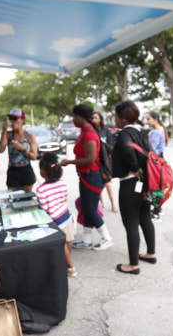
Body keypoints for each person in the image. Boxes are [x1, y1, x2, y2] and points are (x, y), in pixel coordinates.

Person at [111, 100, 156, 274]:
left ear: (122, 119)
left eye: (116, 117)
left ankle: (133, 264)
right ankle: (150, 253)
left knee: (131, 223)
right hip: (146, 182)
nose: (115, 120)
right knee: (145, 218)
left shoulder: (124, 133)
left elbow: (128, 152)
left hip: (131, 182)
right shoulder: (143, 132)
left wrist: (135, 168)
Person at [60, 104, 113, 251]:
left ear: (81, 118)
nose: (73, 119)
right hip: (85, 176)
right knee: (86, 207)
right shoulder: (84, 131)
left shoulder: (89, 134)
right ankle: (87, 239)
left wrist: (69, 162)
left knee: (90, 210)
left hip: (92, 176)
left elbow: (90, 159)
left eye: (74, 117)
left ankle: (106, 238)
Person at [36, 152, 77, 277]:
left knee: (62, 245)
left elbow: (45, 209)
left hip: (55, 221)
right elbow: (64, 199)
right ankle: (65, 262)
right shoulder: (62, 183)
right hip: (66, 216)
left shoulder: (41, 190)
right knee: (68, 241)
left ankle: (71, 268)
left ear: (43, 171)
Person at [0, 108, 37, 193]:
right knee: (12, 197)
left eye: (15, 119)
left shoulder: (29, 136)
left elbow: (34, 157)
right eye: (10, 119)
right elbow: (1, 149)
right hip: (13, 171)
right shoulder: (8, 135)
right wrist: (4, 131)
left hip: (26, 170)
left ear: (22, 120)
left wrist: (22, 149)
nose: (12, 121)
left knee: (27, 198)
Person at [92, 111, 118, 214]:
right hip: (95, 162)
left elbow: (111, 147)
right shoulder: (91, 131)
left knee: (108, 184)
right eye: (92, 118)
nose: (94, 120)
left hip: (105, 163)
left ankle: (112, 204)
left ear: (100, 119)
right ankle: (101, 204)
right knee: (98, 185)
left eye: (96, 118)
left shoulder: (106, 131)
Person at [145, 111, 168, 222]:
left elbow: (151, 149)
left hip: (154, 162)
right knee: (158, 185)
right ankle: (157, 209)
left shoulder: (156, 132)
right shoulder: (160, 130)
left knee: (155, 186)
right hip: (159, 161)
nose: (147, 121)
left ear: (155, 119)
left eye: (148, 119)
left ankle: (156, 212)